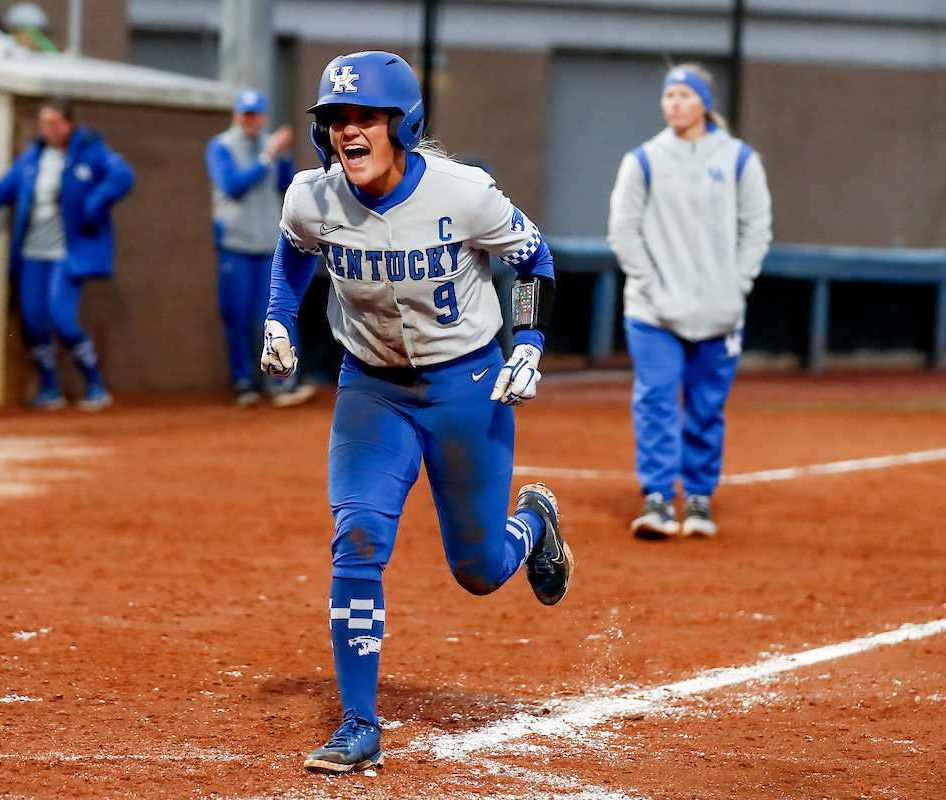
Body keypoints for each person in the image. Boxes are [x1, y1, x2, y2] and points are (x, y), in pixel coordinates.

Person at [262, 51, 575, 775]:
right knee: (359, 538)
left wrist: (527, 342)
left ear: (403, 125)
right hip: (371, 390)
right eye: (336, 120)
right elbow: (293, 253)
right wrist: (280, 317)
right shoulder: (311, 198)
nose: (348, 132)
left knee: (478, 568)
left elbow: (534, 260)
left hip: (468, 385)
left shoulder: (464, 193)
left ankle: (533, 524)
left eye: (365, 117)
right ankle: (359, 723)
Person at [607, 63, 772, 539]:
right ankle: (658, 499)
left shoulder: (740, 159)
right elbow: (624, 230)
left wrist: (735, 285)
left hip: (719, 314)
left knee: (705, 406)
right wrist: (653, 287)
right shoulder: (642, 160)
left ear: (703, 101)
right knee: (657, 399)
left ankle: (698, 499)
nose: (673, 103)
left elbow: (756, 229)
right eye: (668, 95)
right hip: (653, 312)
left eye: (683, 95)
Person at [0, 99, 133, 411]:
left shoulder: (90, 151)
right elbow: (0, 191)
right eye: (45, 124)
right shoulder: (32, 158)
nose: (49, 130)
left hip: (67, 252)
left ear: (69, 124)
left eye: (55, 123)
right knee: (34, 321)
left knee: (63, 319)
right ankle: (48, 387)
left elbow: (122, 176)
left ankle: (94, 384)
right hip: (32, 253)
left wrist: (95, 203)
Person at [206, 87, 314, 407]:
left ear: (263, 116)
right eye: (245, 114)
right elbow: (233, 185)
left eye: (256, 115)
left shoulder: (273, 146)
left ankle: (282, 382)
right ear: (236, 115)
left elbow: (287, 186)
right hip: (236, 244)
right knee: (237, 315)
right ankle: (242, 381)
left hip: (269, 244)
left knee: (274, 315)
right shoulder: (221, 146)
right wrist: (267, 156)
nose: (250, 120)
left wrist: (282, 156)